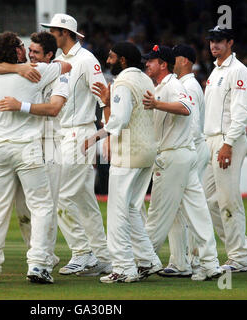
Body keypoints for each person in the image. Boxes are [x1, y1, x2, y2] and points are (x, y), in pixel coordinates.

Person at [0, 32, 71, 284]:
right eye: (22, 47)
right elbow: (67, 65)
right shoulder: (38, 70)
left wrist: (14, 67)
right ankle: (38, 264)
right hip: (26, 148)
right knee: (41, 206)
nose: (27, 51)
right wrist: (24, 68)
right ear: (16, 52)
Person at [83, 41, 162, 283]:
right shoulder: (145, 80)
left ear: (124, 60)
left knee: (118, 211)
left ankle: (124, 267)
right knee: (131, 208)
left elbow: (120, 119)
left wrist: (96, 136)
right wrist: (107, 102)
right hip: (147, 151)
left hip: (129, 153)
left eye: (112, 57)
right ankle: (148, 260)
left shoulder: (123, 83)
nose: (108, 61)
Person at [142, 44, 222, 281]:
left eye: (151, 60)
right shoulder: (167, 85)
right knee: (197, 213)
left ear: (163, 64)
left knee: (157, 213)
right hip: (183, 154)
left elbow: (186, 109)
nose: (147, 64)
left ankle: (140, 262)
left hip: (174, 155)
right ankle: (210, 264)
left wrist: (157, 105)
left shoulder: (176, 85)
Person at [41, 13, 112, 277]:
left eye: (53, 30)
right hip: (62, 135)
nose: (50, 34)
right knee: (84, 200)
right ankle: (104, 257)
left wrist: (107, 132)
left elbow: (104, 97)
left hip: (80, 134)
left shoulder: (86, 60)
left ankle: (83, 252)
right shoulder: (57, 61)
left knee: (62, 197)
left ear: (65, 32)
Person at [204, 26, 247, 273]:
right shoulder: (215, 71)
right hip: (211, 140)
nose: (214, 45)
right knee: (207, 201)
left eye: (219, 41)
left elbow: (241, 112)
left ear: (230, 42)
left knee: (228, 198)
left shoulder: (238, 71)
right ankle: (243, 245)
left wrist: (228, 144)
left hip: (229, 140)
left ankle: (239, 258)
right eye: (211, 41)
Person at [159, 44, 211, 277]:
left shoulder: (187, 85)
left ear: (186, 61)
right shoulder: (186, 84)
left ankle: (191, 260)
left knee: (186, 206)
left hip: (189, 147)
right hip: (191, 148)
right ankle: (182, 260)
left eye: (176, 58)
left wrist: (182, 149)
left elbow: (191, 122)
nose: (173, 61)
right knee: (184, 206)